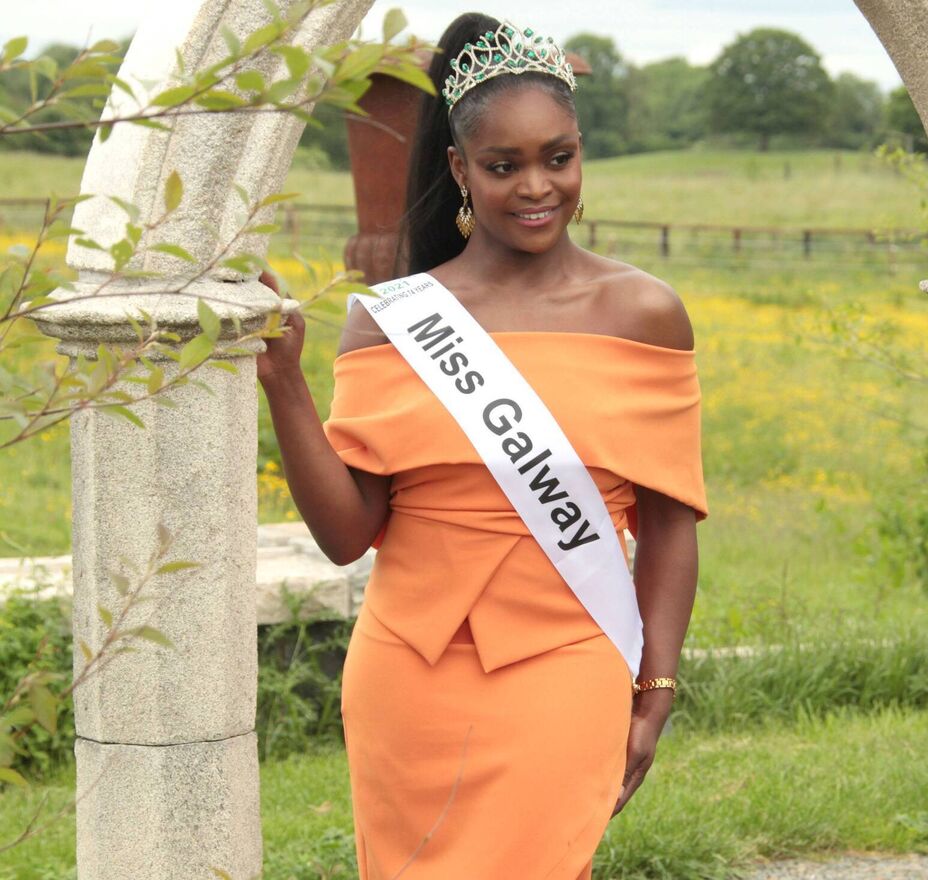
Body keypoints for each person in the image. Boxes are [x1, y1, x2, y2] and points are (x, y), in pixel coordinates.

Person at [256, 12, 707, 879]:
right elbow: (349, 534)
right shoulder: (392, 322)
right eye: (504, 166)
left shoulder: (645, 314)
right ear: (461, 169)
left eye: (558, 157)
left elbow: (670, 522)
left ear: (581, 154)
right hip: (407, 680)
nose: (536, 186)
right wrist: (284, 384)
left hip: (567, 665)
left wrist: (656, 687)